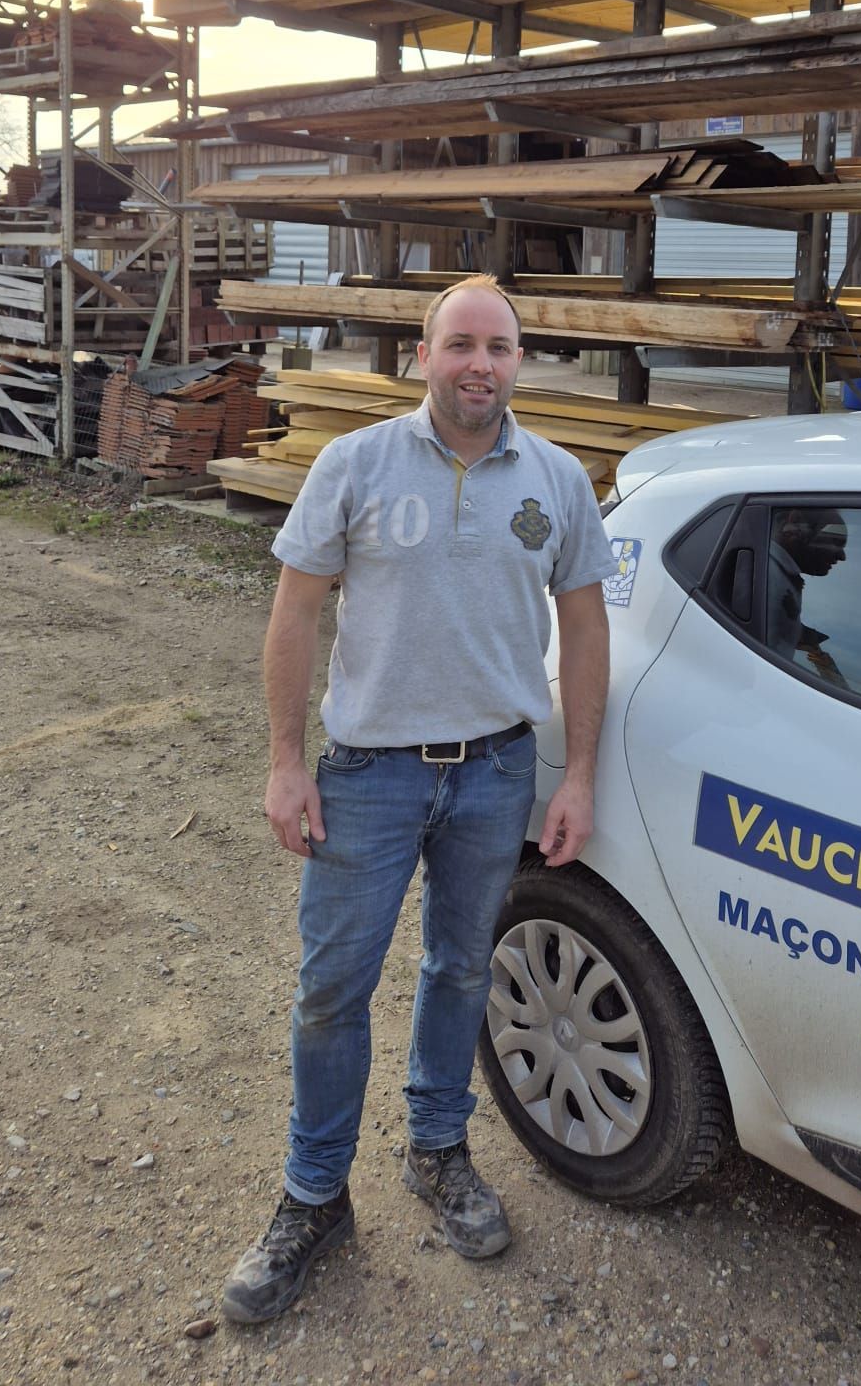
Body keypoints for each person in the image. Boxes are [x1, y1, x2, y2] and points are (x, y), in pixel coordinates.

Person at [221, 275, 615, 1325]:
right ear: (423, 356)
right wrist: (283, 757)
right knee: (330, 989)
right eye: (460, 344)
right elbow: (296, 609)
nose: (479, 363)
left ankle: (437, 1149)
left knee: (459, 969)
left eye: (499, 346)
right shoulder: (355, 463)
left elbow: (583, 627)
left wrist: (573, 771)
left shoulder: (560, 479)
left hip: (494, 771)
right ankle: (313, 1195)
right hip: (370, 772)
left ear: (520, 360)